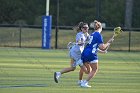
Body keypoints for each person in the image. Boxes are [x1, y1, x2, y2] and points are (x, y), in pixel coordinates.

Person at [80, 20, 114, 88]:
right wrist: (109, 42)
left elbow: (95, 46)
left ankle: (80, 80)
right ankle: (84, 82)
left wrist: (103, 50)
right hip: (91, 54)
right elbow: (102, 47)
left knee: (89, 70)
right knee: (95, 69)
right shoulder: (98, 35)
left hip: (85, 52)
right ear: (100, 28)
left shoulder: (92, 34)